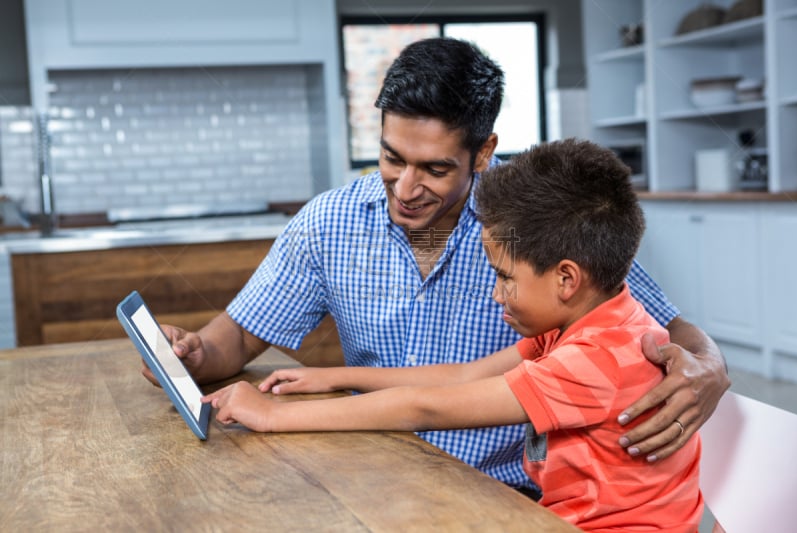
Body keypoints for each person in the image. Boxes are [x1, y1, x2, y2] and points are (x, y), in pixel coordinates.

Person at [146, 37, 728, 492]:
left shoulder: (536, 224)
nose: (405, 187)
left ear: (482, 152)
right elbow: (244, 334)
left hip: (510, 491)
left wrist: (708, 364)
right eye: (391, 158)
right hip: (369, 470)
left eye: (434, 169)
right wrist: (197, 354)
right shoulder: (329, 221)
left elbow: (657, 324)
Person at [203, 139, 704, 532]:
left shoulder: (593, 360)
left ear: (566, 279)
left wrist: (270, 416)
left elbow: (428, 408)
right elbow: (462, 375)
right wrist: (327, 375)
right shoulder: (601, 321)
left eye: (506, 277)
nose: (496, 294)